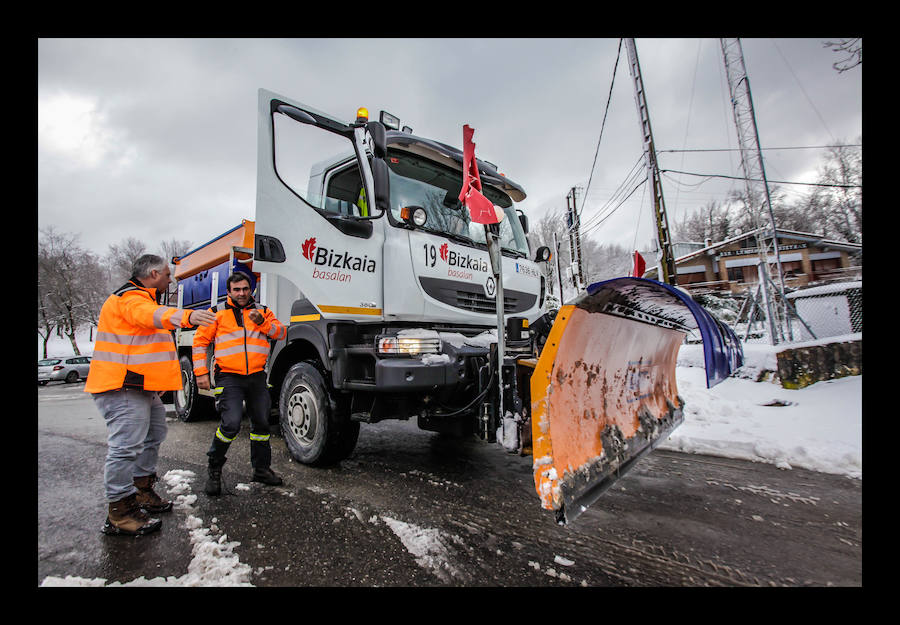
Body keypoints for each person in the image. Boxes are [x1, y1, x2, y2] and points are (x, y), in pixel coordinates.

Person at [86, 254, 216, 536]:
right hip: (121, 386)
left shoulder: (143, 297)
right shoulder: (130, 298)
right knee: (125, 447)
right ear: (154, 274)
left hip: (138, 387)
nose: (171, 279)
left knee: (154, 433)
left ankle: (141, 490)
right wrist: (187, 316)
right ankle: (120, 511)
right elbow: (151, 316)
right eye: (168, 274)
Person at [192, 271, 287, 496]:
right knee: (231, 424)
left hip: (256, 377)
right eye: (237, 290)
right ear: (229, 292)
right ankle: (214, 469)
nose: (242, 293)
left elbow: (280, 333)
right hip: (228, 377)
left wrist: (262, 322)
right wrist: (200, 373)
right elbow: (199, 343)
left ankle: (261, 470)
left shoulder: (263, 311)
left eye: (245, 289)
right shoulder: (215, 313)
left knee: (262, 425)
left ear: (251, 289)